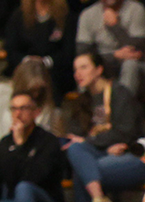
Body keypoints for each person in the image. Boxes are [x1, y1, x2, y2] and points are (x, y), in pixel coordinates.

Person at [60, 52, 145, 202]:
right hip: (99, 155)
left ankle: (98, 197)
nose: (78, 74)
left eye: (84, 67)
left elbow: (126, 132)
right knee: (75, 150)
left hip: (130, 153)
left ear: (99, 69)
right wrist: (99, 147)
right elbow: (76, 138)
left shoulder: (119, 93)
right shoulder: (81, 101)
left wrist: (89, 142)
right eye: (75, 70)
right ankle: (98, 197)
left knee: (84, 171)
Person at [0, 87, 64, 202]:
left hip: (42, 197)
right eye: (14, 109)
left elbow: (32, 178)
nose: (18, 114)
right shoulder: (6, 143)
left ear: (36, 112)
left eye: (24, 108)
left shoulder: (48, 142)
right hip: (14, 199)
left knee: (24, 188)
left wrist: (20, 146)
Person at [0, 58, 63, 185]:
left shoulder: (44, 105)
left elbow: (42, 138)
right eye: (31, 89)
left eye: (38, 90)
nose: (35, 94)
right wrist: (1, 156)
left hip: (27, 157)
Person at [4, 0, 76, 103]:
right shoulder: (18, 16)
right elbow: (11, 49)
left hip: (55, 72)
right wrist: (28, 61)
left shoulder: (66, 17)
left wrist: (45, 62)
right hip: (25, 70)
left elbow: (68, 51)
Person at [76, 0, 145, 92]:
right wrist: (113, 56)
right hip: (103, 64)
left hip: (132, 65)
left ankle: (123, 102)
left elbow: (137, 48)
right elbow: (83, 52)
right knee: (85, 66)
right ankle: (86, 103)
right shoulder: (87, 14)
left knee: (130, 64)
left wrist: (115, 26)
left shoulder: (136, 10)